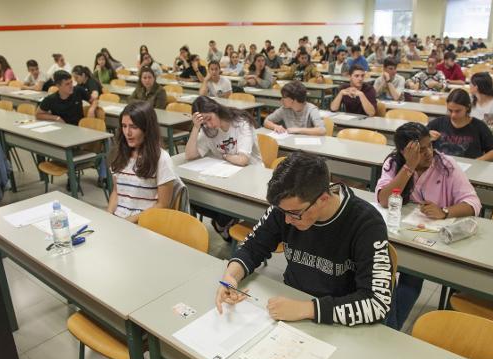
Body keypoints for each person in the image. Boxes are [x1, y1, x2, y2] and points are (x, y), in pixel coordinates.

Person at [216, 151, 393, 326]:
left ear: (323, 199)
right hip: (292, 300)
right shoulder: (286, 208)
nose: (286, 220)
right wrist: (231, 276)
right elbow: (253, 246)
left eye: (294, 213)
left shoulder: (366, 223)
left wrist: (308, 309)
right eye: (282, 212)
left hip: (337, 316)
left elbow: (377, 303)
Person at [376, 122, 480, 330]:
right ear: (404, 151)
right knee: (384, 273)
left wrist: (445, 212)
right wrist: (409, 166)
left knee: (412, 277)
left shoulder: (446, 165)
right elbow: (384, 199)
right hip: (401, 233)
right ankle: (390, 329)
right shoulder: (394, 164)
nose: (428, 153)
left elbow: (473, 203)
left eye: (429, 146)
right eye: (420, 150)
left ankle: (391, 330)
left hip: (432, 239)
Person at [185, 96, 262, 239]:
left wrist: (225, 156)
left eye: (209, 119)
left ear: (216, 110)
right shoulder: (207, 130)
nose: (208, 125)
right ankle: (225, 222)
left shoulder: (241, 123)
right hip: (225, 176)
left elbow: (243, 160)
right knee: (195, 198)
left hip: (251, 177)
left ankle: (224, 222)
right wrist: (196, 128)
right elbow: (189, 155)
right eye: (204, 122)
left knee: (225, 204)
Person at [108, 101, 177, 223]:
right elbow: (116, 191)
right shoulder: (119, 154)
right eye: (124, 126)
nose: (127, 133)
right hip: (120, 222)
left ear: (147, 129)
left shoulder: (161, 158)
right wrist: (108, 216)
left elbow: (163, 204)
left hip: (145, 223)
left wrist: (128, 222)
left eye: (134, 127)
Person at [428, 89, 493, 160]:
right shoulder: (438, 123)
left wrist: (477, 162)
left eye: (458, 111)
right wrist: (427, 136)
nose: (453, 115)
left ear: (467, 107)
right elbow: (418, 137)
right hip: (442, 166)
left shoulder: (479, 126)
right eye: (450, 110)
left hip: (468, 169)